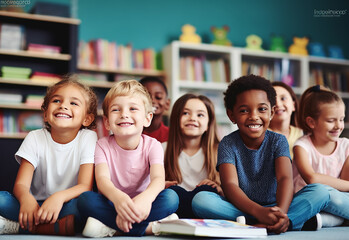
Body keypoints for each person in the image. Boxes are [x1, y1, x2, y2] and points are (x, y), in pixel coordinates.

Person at [191, 75, 330, 234]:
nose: (254, 116)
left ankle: (276, 221)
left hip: (278, 206)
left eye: (262, 109)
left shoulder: (278, 141)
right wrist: (259, 212)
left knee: (321, 192)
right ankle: (284, 223)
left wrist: (281, 212)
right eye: (244, 110)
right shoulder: (227, 143)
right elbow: (230, 186)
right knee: (201, 201)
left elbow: (285, 178)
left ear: (271, 112)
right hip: (242, 207)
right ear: (231, 115)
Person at [77, 80, 179, 237]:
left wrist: (145, 199)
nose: (124, 114)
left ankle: (112, 227)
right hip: (113, 202)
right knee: (85, 199)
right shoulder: (102, 145)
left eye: (133, 109)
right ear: (106, 122)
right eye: (116, 110)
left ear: (147, 118)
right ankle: (152, 227)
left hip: (145, 203)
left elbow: (158, 179)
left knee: (171, 198)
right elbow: (103, 181)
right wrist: (119, 200)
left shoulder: (154, 145)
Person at [0, 75, 98, 236]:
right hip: (35, 205)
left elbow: (85, 186)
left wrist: (58, 198)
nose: (63, 106)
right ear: (45, 114)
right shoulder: (34, 137)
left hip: (66, 204)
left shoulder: (88, 138)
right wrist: (26, 199)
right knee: (2, 199)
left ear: (87, 118)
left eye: (73, 103)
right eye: (56, 101)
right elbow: (21, 185)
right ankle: (54, 227)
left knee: (84, 204)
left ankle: (19, 227)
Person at [293, 85, 349, 227]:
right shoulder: (302, 146)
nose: (338, 126)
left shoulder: (346, 146)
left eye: (341, 119)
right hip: (309, 199)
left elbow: (345, 187)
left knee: (336, 197)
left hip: (336, 200)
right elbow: (312, 178)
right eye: (331, 121)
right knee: (321, 191)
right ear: (311, 122)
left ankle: (318, 221)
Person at [163, 93, 222, 218]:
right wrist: (160, 184)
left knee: (204, 195)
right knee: (171, 194)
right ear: (175, 118)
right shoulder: (162, 148)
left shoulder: (220, 151)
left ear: (208, 124)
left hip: (206, 205)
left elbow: (230, 189)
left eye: (200, 115)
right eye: (185, 113)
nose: (192, 118)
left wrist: (220, 188)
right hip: (175, 204)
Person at [269, 82, 303, 159]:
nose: (278, 104)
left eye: (283, 98)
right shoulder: (261, 136)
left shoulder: (302, 134)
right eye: (272, 100)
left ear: (293, 105)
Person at [139, 76, 170, 143]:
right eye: (147, 97)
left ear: (167, 104)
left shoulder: (172, 135)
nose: (152, 100)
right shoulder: (130, 132)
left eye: (158, 97)